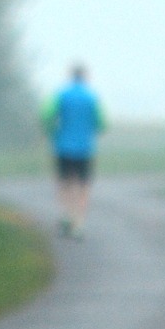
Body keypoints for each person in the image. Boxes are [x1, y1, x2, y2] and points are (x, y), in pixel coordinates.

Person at [41, 64, 107, 239]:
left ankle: (66, 215)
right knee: (83, 186)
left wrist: (51, 132)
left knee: (65, 183)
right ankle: (79, 223)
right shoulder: (91, 98)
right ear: (85, 77)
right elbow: (102, 123)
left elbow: (47, 115)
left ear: (71, 76)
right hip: (85, 148)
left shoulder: (61, 95)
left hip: (63, 146)